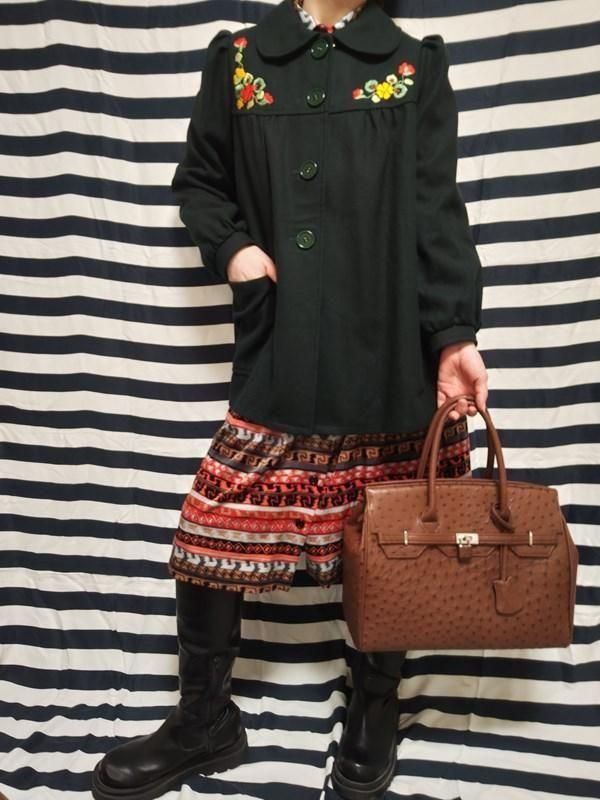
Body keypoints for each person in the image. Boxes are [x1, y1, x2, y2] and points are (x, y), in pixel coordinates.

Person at [91, 0, 488, 798]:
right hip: (280, 350)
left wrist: (454, 335)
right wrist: (234, 250)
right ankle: (206, 720)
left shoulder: (413, 66)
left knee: (393, 542)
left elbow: (436, 212)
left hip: (389, 361)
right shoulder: (239, 60)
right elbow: (201, 181)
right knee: (209, 532)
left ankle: (374, 707)